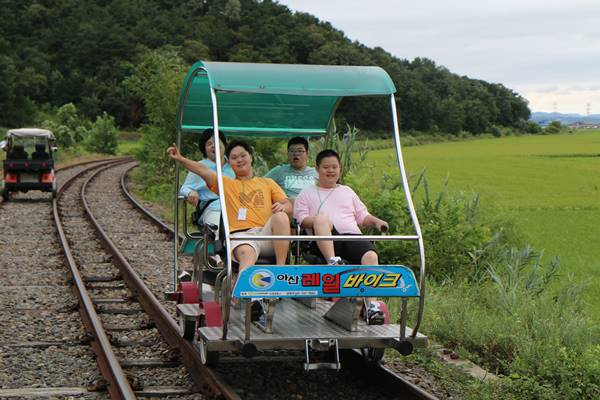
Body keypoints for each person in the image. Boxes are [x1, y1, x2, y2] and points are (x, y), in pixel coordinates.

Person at [168, 140, 292, 320]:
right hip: (241, 236)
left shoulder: (267, 183)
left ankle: (280, 275)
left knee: (281, 217)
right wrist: (180, 159)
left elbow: (288, 204)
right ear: (229, 162)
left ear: (251, 157)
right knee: (247, 252)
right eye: (234, 157)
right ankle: (253, 299)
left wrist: (283, 207)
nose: (239, 160)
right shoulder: (225, 184)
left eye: (243, 155)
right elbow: (203, 171)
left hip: (265, 234)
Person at [294, 149, 389, 324]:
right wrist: (318, 221)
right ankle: (333, 262)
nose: (330, 171)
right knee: (321, 219)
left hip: (351, 237)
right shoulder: (307, 193)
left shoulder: (347, 191)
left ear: (340, 169)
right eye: (326, 167)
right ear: (317, 169)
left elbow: (363, 216)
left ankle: (372, 306)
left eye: (334, 167)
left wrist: (377, 222)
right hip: (322, 240)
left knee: (370, 255)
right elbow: (301, 219)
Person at [179, 129, 234, 235]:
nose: (214, 145)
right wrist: (191, 192)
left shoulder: (233, 165)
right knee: (222, 230)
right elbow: (184, 188)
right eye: (209, 144)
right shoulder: (200, 167)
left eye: (217, 142)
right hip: (213, 209)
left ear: (224, 144)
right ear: (204, 149)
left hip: (235, 208)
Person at [265, 137, 317, 203]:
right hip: (287, 209)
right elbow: (261, 183)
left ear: (307, 153)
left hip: (311, 209)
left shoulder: (316, 172)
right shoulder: (279, 171)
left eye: (300, 151)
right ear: (287, 154)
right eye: (292, 151)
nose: (296, 154)